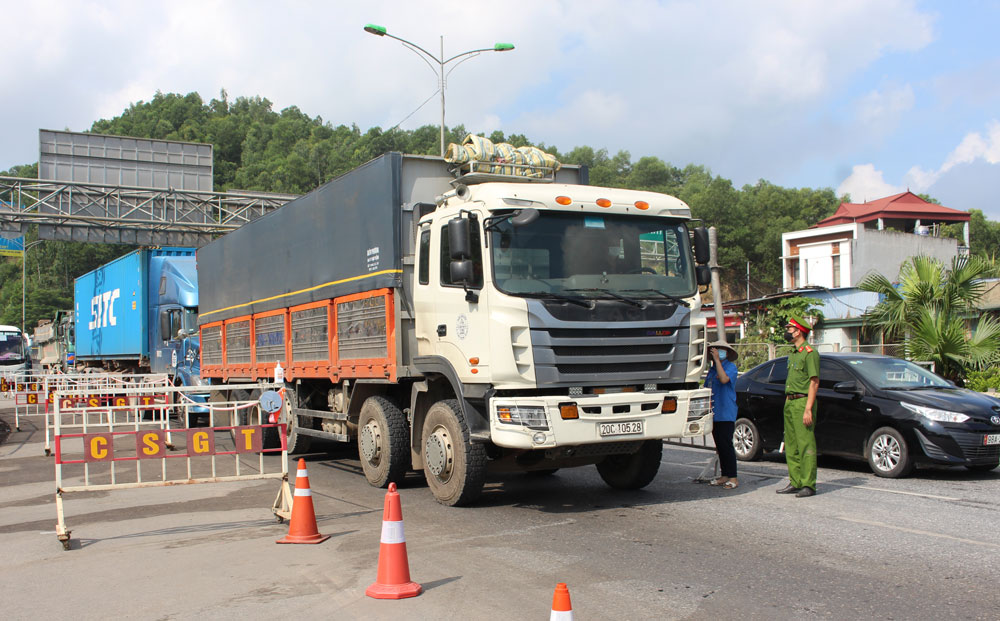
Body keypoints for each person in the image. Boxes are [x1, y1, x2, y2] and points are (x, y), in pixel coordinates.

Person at [776, 315, 820, 498]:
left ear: (799, 331)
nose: (787, 333)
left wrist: (808, 408)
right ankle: (795, 481)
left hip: (803, 401)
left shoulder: (810, 353)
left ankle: (808, 484)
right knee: (791, 444)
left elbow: (814, 382)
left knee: (805, 444)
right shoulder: (793, 354)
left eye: (790, 329)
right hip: (790, 401)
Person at [705, 340, 739, 489]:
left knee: (726, 445)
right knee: (720, 445)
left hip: (726, 412)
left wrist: (718, 360)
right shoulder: (712, 370)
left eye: (720, 350)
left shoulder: (730, 367)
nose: (717, 352)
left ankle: (733, 477)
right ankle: (725, 475)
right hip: (715, 412)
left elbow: (724, 379)